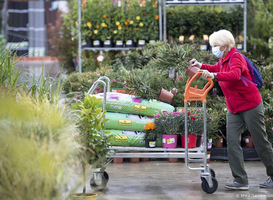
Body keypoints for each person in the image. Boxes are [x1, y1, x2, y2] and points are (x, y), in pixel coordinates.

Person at [190, 29, 273, 190]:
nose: (213, 48)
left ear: (224, 45)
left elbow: (234, 75)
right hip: (234, 108)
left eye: (215, 45)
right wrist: (201, 66)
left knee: (261, 141)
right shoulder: (223, 59)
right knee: (232, 143)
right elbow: (216, 67)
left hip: (251, 106)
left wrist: (214, 76)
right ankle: (241, 180)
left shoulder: (236, 57)